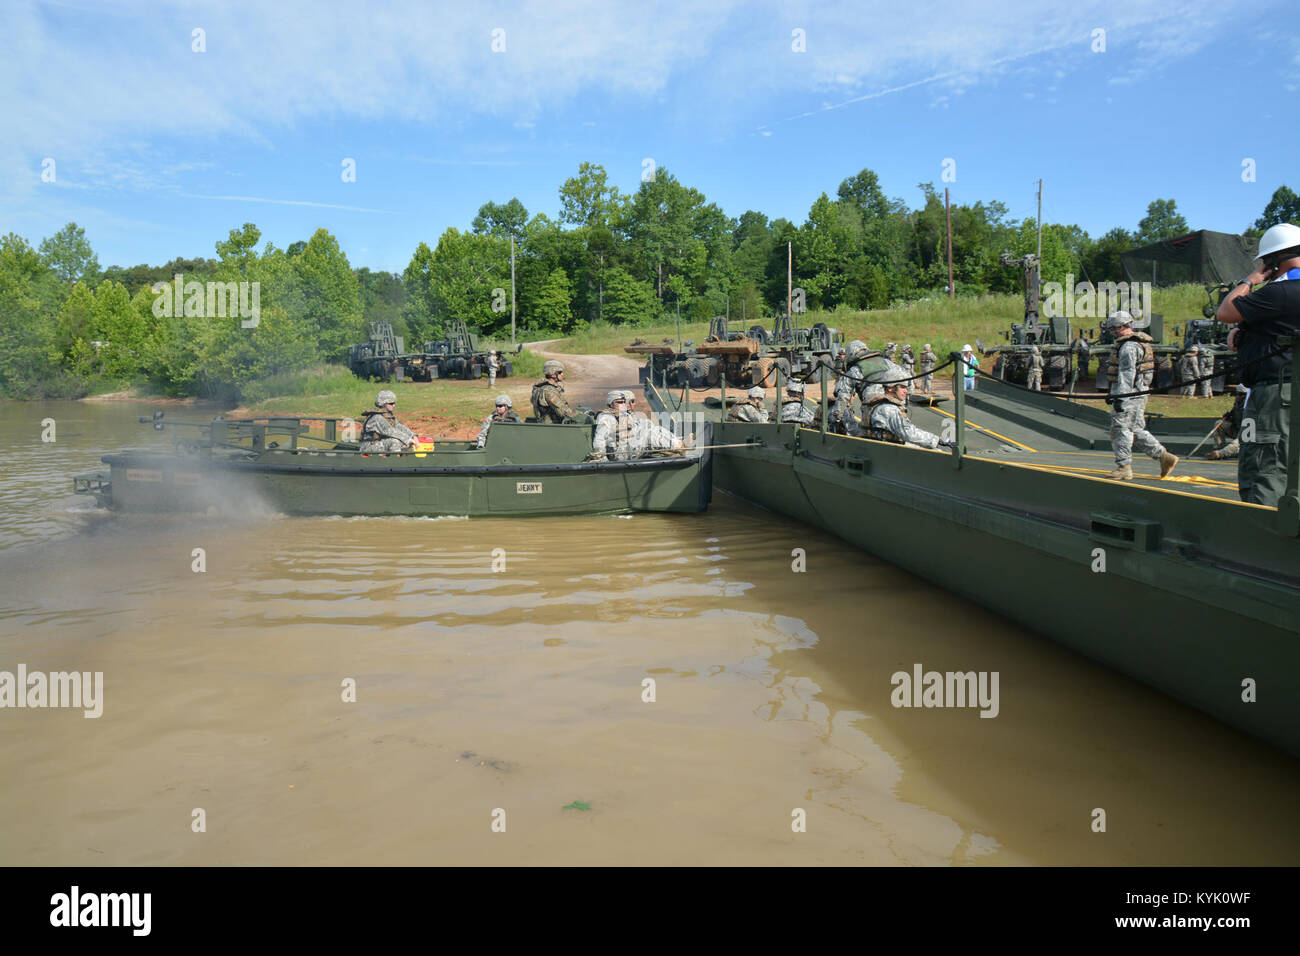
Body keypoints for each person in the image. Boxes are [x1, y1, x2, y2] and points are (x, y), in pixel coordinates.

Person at [1216, 222, 1300, 506]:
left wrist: (1250, 279)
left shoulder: (1281, 292)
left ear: (1275, 261)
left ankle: (1261, 540)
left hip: (1275, 394)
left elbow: (1226, 311)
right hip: (1289, 390)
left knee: (1265, 468)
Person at [1105, 311, 1178, 481]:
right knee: (1135, 429)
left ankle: (1124, 467)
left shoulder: (1128, 347)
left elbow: (1127, 374)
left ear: (1122, 326)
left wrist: (1120, 398)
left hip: (1129, 395)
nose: (1112, 332)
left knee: (1120, 429)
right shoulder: (1138, 344)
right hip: (1138, 393)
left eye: (1114, 328)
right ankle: (1164, 457)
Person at [861, 368, 953, 449]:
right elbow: (908, 433)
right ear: (890, 388)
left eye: (906, 387)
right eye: (902, 387)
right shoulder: (889, 409)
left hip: (877, 448)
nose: (906, 391)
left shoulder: (876, 404)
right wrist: (937, 440)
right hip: (888, 452)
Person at [359, 389, 418, 454]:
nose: (394, 405)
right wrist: (408, 440)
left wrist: (413, 436)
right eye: (391, 403)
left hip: (378, 444)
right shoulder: (376, 418)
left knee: (405, 443)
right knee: (394, 441)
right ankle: (395, 462)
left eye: (394, 403)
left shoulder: (388, 416)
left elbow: (400, 427)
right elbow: (390, 431)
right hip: (367, 447)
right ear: (383, 404)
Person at [829, 339, 869, 433]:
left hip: (848, 379)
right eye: (842, 354)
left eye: (844, 354)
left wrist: (837, 418)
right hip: (842, 378)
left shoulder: (855, 368)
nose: (843, 355)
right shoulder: (839, 361)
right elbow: (836, 371)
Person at [592, 391, 637, 460]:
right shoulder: (606, 417)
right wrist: (602, 458)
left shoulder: (627, 416)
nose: (623, 404)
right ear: (611, 404)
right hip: (617, 454)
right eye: (619, 402)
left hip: (631, 449)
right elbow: (599, 440)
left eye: (624, 402)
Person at [1206, 385, 1247, 460]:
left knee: (1235, 445)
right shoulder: (1237, 403)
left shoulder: (1250, 405)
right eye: (1237, 394)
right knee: (1219, 424)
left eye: (1241, 394)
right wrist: (1230, 416)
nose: (1238, 396)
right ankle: (1218, 446)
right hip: (1236, 429)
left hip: (1246, 433)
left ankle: (1220, 454)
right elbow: (1234, 414)